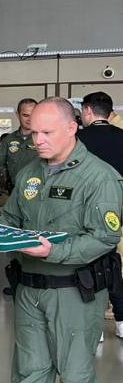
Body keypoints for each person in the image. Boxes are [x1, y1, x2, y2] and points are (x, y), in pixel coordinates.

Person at [0, 97, 122, 383]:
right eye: (33, 132)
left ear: (73, 127)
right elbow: (11, 216)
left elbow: (104, 238)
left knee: (74, 373)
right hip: (30, 290)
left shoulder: (98, 176)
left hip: (74, 291)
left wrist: (50, 252)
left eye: (46, 132)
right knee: (28, 370)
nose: (37, 139)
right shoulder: (29, 173)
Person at [77, 91, 123, 339]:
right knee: (113, 263)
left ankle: (95, 324)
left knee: (86, 264)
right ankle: (122, 319)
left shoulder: (77, 139)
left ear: (87, 111)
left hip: (84, 210)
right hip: (117, 210)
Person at [0, 98, 38, 189]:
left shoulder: (43, 138)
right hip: (15, 189)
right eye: (26, 115)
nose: (30, 119)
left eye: (33, 115)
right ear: (17, 115)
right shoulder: (9, 140)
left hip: (38, 188)